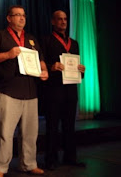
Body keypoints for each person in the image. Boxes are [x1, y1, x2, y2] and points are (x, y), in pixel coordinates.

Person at [0, 5, 48, 177]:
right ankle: (0, 168)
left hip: (30, 92)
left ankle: (29, 164)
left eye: (24, 15)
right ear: (9, 18)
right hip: (7, 91)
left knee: (30, 133)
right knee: (4, 134)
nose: (22, 18)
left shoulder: (31, 38)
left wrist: (44, 71)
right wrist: (8, 54)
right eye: (17, 15)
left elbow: (41, 60)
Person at [41, 10, 86, 170]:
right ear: (53, 21)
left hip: (70, 90)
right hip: (53, 90)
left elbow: (77, 67)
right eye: (59, 19)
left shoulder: (74, 43)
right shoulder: (46, 40)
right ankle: (50, 160)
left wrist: (81, 70)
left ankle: (70, 157)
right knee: (52, 126)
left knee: (69, 126)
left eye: (65, 19)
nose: (63, 22)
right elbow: (42, 64)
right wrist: (51, 67)